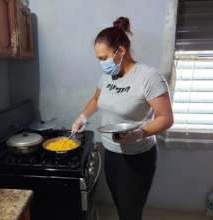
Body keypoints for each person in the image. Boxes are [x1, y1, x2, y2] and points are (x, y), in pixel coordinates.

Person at [71, 17, 173, 220]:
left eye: (104, 58)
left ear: (121, 51)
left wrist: (139, 133)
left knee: (130, 213)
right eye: (98, 59)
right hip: (111, 152)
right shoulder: (107, 76)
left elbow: (166, 118)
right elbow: (96, 99)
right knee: (120, 205)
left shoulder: (149, 77)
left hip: (137, 157)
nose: (102, 63)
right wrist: (82, 116)